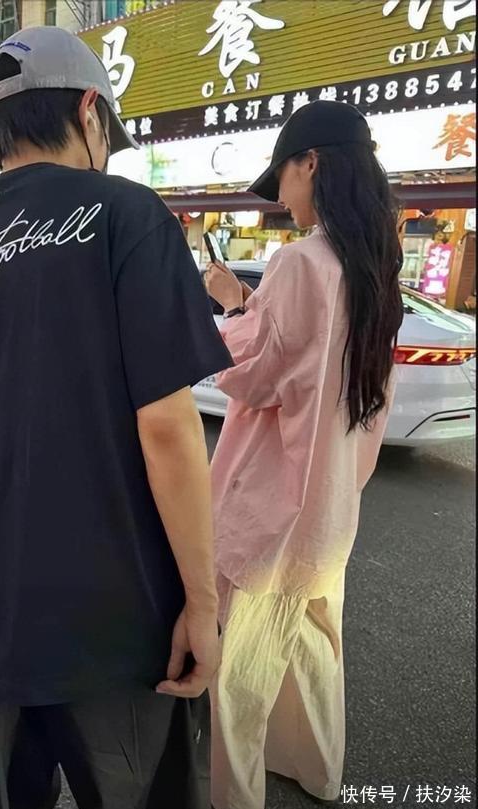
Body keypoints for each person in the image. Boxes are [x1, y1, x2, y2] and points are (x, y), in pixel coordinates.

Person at [0, 26, 232, 809]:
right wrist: (203, 601)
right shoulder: (126, 214)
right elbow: (168, 426)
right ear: (89, 112)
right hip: (118, 625)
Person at [204, 101, 403, 809]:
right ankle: (318, 769)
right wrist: (250, 302)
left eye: (282, 178)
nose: (281, 198)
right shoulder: (375, 266)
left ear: (310, 163)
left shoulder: (299, 262)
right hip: (331, 501)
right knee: (314, 645)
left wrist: (231, 305)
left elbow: (255, 373)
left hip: (274, 502)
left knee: (241, 669)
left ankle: (238, 796)